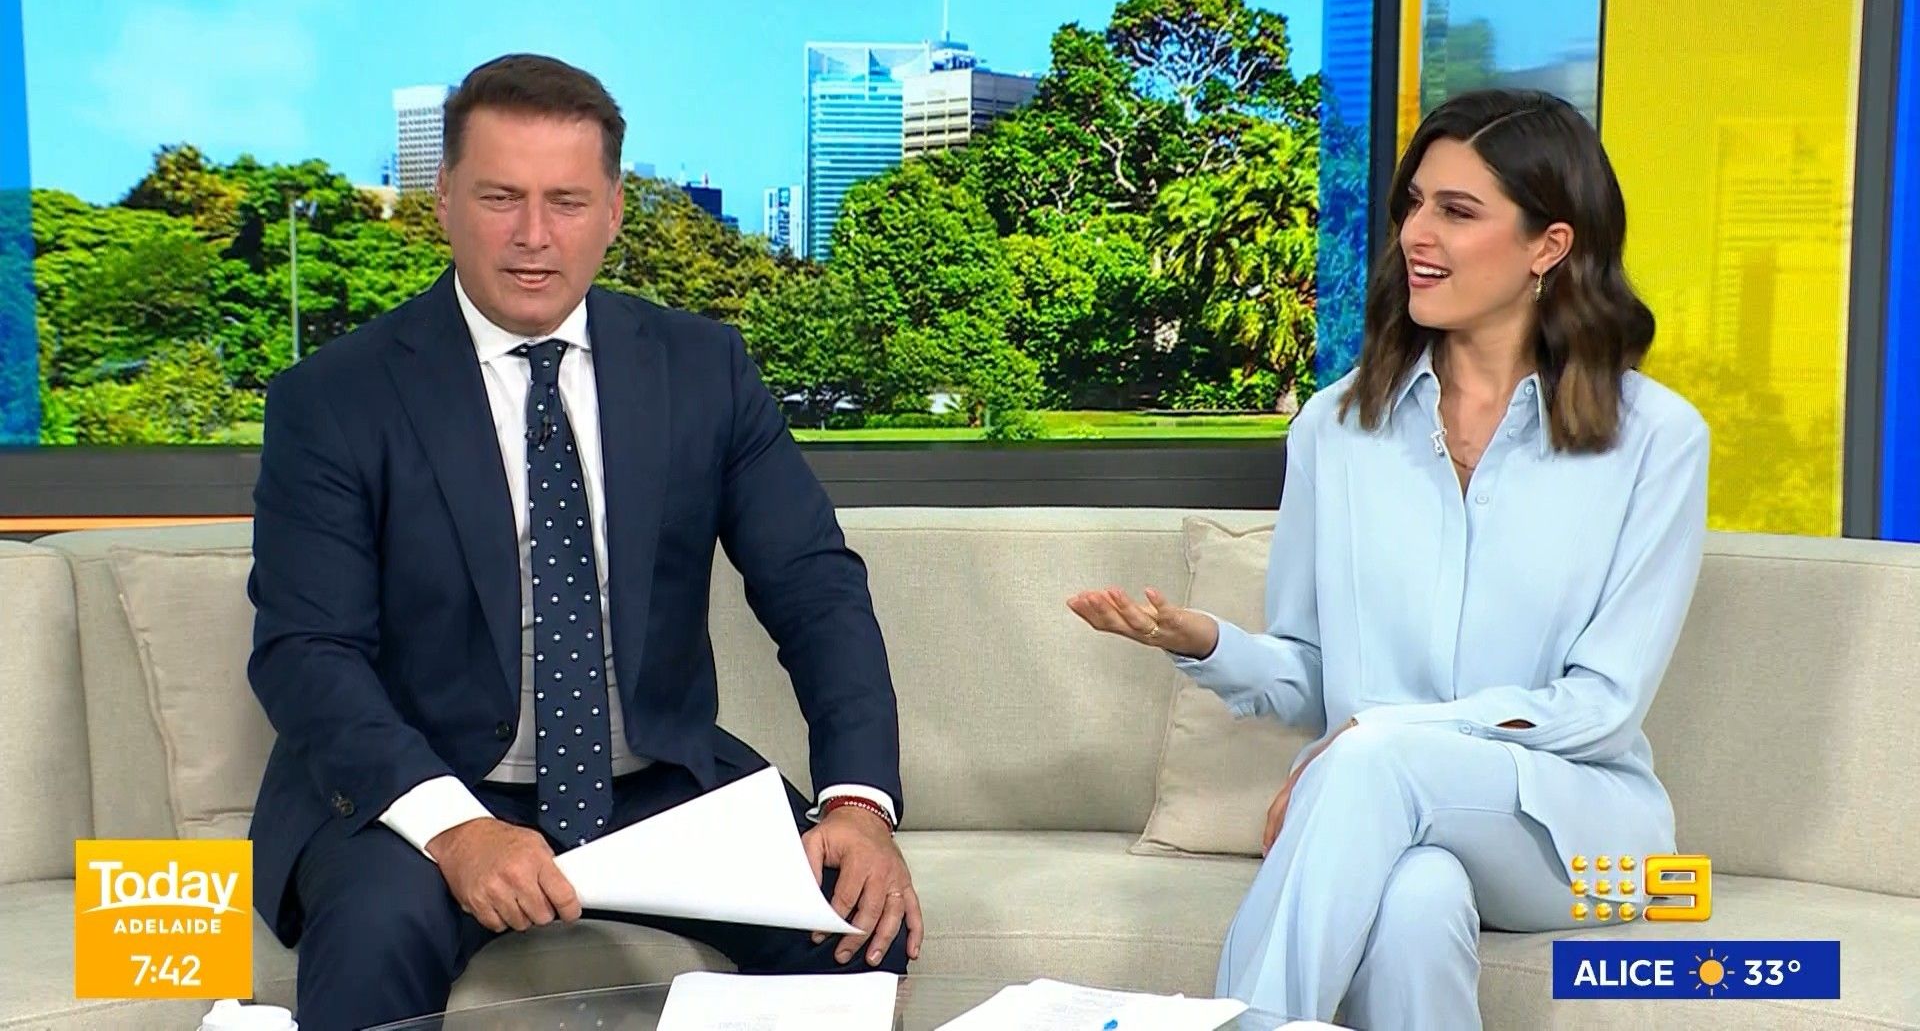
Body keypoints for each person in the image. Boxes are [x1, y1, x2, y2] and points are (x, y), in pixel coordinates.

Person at [246, 54, 921, 1031]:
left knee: (859, 926)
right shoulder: (334, 398)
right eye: (500, 197)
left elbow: (814, 588)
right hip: (422, 787)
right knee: (372, 942)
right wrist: (457, 829)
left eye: (565, 201)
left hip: (657, 783)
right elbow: (307, 653)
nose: (533, 235)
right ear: (443, 202)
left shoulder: (705, 368)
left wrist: (857, 805)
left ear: (612, 211)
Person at [1068, 89, 1709, 1029]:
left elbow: (1602, 706)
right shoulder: (1336, 427)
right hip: (1394, 806)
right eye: (1413, 204)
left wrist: (1382, 735)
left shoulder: (1656, 439)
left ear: (1549, 246)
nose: (1417, 233)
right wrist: (1209, 644)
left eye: (1458, 210)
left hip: (1583, 836)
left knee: (1376, 764)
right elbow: (1318, 677)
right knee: (1415, 904)